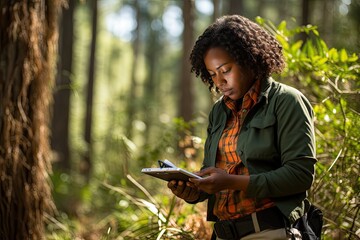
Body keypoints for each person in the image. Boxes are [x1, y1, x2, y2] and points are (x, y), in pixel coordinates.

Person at [167, 15, 317, 240]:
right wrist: (193, 190)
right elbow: (213, 175)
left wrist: (232, 182)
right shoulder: (219, 112)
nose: (219, 82)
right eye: (212, 74)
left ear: (249, 58)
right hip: (222, 234)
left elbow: (300, 175)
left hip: (270, 232)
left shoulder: (286, 101)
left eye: (225, 70)